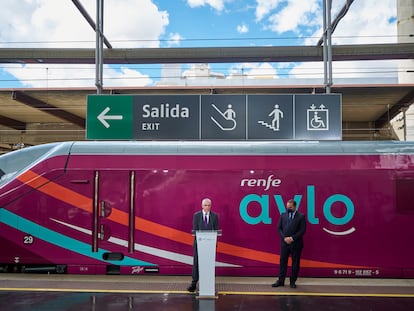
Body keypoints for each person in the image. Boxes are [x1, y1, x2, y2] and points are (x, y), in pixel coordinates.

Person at [272, 199, 306, 289]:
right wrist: (284, 238)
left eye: (290, 207)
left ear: (295, 207)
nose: (288, 209)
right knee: (283, 262)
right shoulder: (283, 215)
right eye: (287, 207)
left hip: (296, 244)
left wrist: (292, 238)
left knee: (295, 263)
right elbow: (279, 228)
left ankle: (292, 281)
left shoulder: (301, 216)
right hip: (284, 243)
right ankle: (281, 281)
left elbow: (302, 230)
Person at [187, 198, 219, 292]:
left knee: (209, 264)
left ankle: (209, 284)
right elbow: (195, 230)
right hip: (199, 244)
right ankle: (194, 284)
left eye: (209, 205)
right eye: (205, 205)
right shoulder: (196, 216)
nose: (207, 207)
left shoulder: (215, 216)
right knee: (196, 263)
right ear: (202, 206)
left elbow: (216, 231)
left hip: (210, 244)